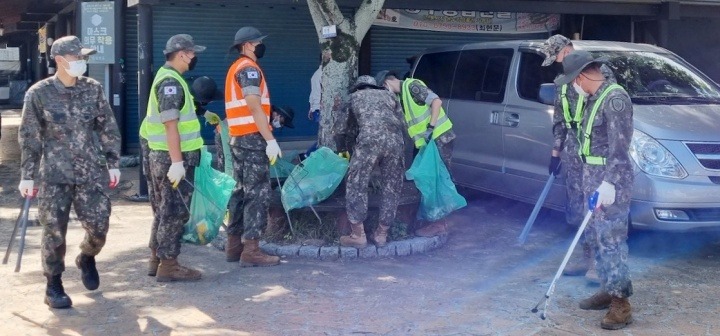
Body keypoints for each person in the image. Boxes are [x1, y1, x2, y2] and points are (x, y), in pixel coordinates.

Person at [18, 35, 121, 308]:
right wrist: (27, 175)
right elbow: (29, 136)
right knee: (54, 231)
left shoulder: (92, 89)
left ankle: (86, 256)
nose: (82, 62)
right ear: (60, 60)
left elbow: (107, 127)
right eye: (78, 57)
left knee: (99, 225)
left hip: (88, 172)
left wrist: (113, 162)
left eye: (84, 57)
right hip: (54, 174)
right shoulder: (38, 94)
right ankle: (53, 285)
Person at [555, 50, 634, 330]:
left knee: (611, 241)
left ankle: (621, 304)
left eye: (573, 80)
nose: (572, 86)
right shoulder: (593, 99)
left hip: (611, 183)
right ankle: (607, 288)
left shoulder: (614, 100)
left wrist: (610, 183)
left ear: (581, 76)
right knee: (596, 237)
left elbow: (620, 149)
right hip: (593, 179)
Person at [540, 35, 614, 283]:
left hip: (595, 149)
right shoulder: (561, 82)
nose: (557, 63)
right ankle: (585, 258)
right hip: (573, 150)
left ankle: (599, 264)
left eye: (558, 56)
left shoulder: (599, 73)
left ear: (568, 49)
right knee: (578, 207)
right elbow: (560, 120)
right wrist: (555, 153)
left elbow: (607, 112)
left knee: (597, 208)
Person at [140, 34, 208, 282]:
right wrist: (178, 162)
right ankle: (169, 265)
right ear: (182, 54)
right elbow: (171, 125)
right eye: (192, 54)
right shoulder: (171, 83)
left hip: (161, 156)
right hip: (171, 159)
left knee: (162, 210)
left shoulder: (166, 77)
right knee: (174, 212)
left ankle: (156, 259)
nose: (194, 58)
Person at [224, 26, 281, 267]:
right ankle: (252, 250)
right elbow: (254, 106)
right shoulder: (249, 69)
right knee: (257, 194)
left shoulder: (235, 68)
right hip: (252, 139)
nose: (261, 45)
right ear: (248, 45)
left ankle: (233, 246)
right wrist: (270, 139)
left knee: (239, 192)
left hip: (238, 137)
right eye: (258, 42)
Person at [375, 70, 456, 237]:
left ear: (386, 83)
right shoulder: (401, 97)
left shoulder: (412, 86)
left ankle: (440, 224)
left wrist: (430, 128)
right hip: (428, 143)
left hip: (440, 138)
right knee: (427, 179)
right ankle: (432, 220)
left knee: (437, 180)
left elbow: (436, 102)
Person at [335, 75, 406, 248]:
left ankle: (358, 235)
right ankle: (382, 233)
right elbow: (402, 123)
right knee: (392, 186)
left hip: (368, 143)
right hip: (395, 143)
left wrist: (342, 150)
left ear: (358, 88)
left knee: (356, 183)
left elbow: (340, 130)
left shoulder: (353, 98)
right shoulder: (390, 96)